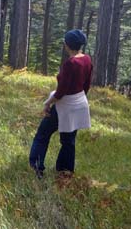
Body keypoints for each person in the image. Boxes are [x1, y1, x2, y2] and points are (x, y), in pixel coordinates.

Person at [29, 29, 93, 178]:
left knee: (42, 135)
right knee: (68, 140)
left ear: (67, 45)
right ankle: (65, 172)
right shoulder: (87, 59)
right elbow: (86, 85)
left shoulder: (71, 63)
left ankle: (37, 168)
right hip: (80, 104)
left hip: (65, 106)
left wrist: (47, 103)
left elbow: (61, 92)